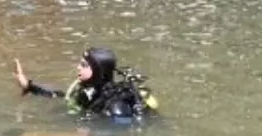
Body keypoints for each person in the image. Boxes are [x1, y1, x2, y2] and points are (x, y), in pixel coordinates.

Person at [13, 48, 158, 122]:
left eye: (84, 65)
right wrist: (30, 86)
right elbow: (65, 97)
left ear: (97, 70)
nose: (78, 68)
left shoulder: (117, 106)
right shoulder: (89, 91)